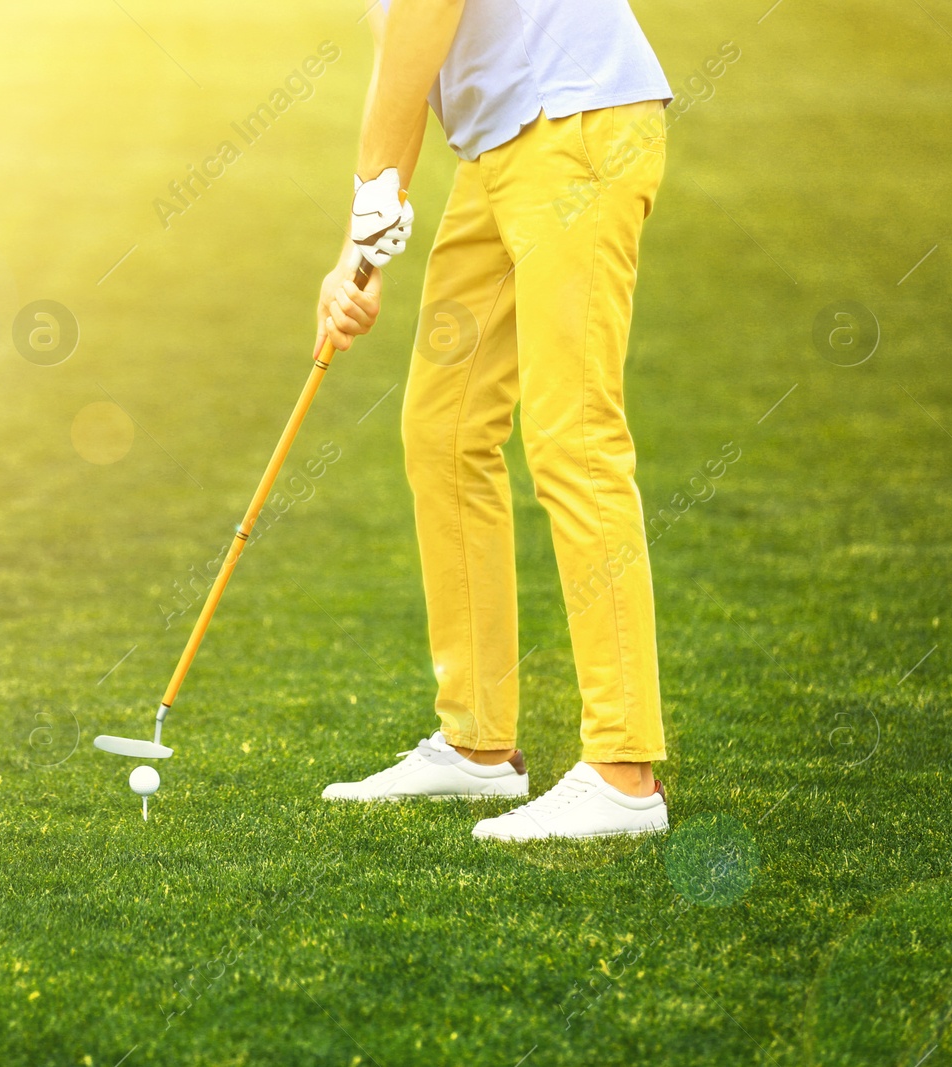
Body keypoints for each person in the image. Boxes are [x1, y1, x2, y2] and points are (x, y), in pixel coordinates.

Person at [316, 0, 675, 840]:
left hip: (578, 125)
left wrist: (375, 200)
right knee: (442, 429)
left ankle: (624, 773)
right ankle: (476, 745)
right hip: (499, 152)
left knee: (573, 435)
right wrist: (360, 253)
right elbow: (404, 56)